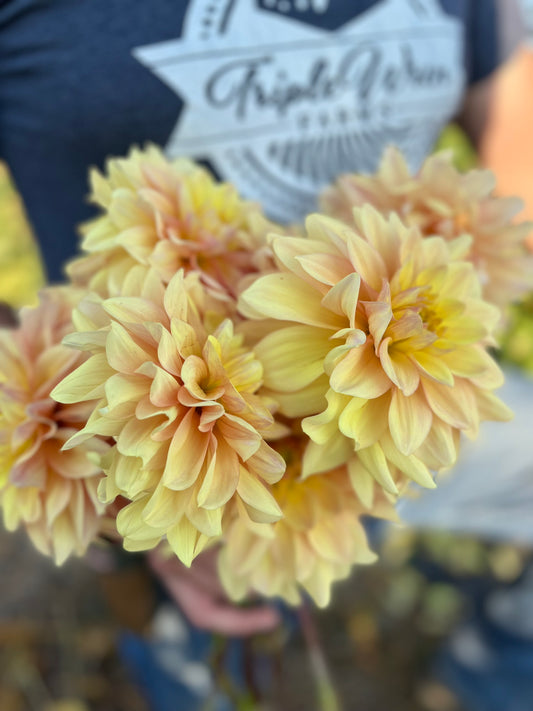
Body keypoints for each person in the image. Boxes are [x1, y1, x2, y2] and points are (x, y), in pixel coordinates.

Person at [0, 1, 525, 708]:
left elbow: (511, 115)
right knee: (210, 651)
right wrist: (109, 515)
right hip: (138, 432)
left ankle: (495, 668)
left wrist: (489, 246)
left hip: (393, 422)